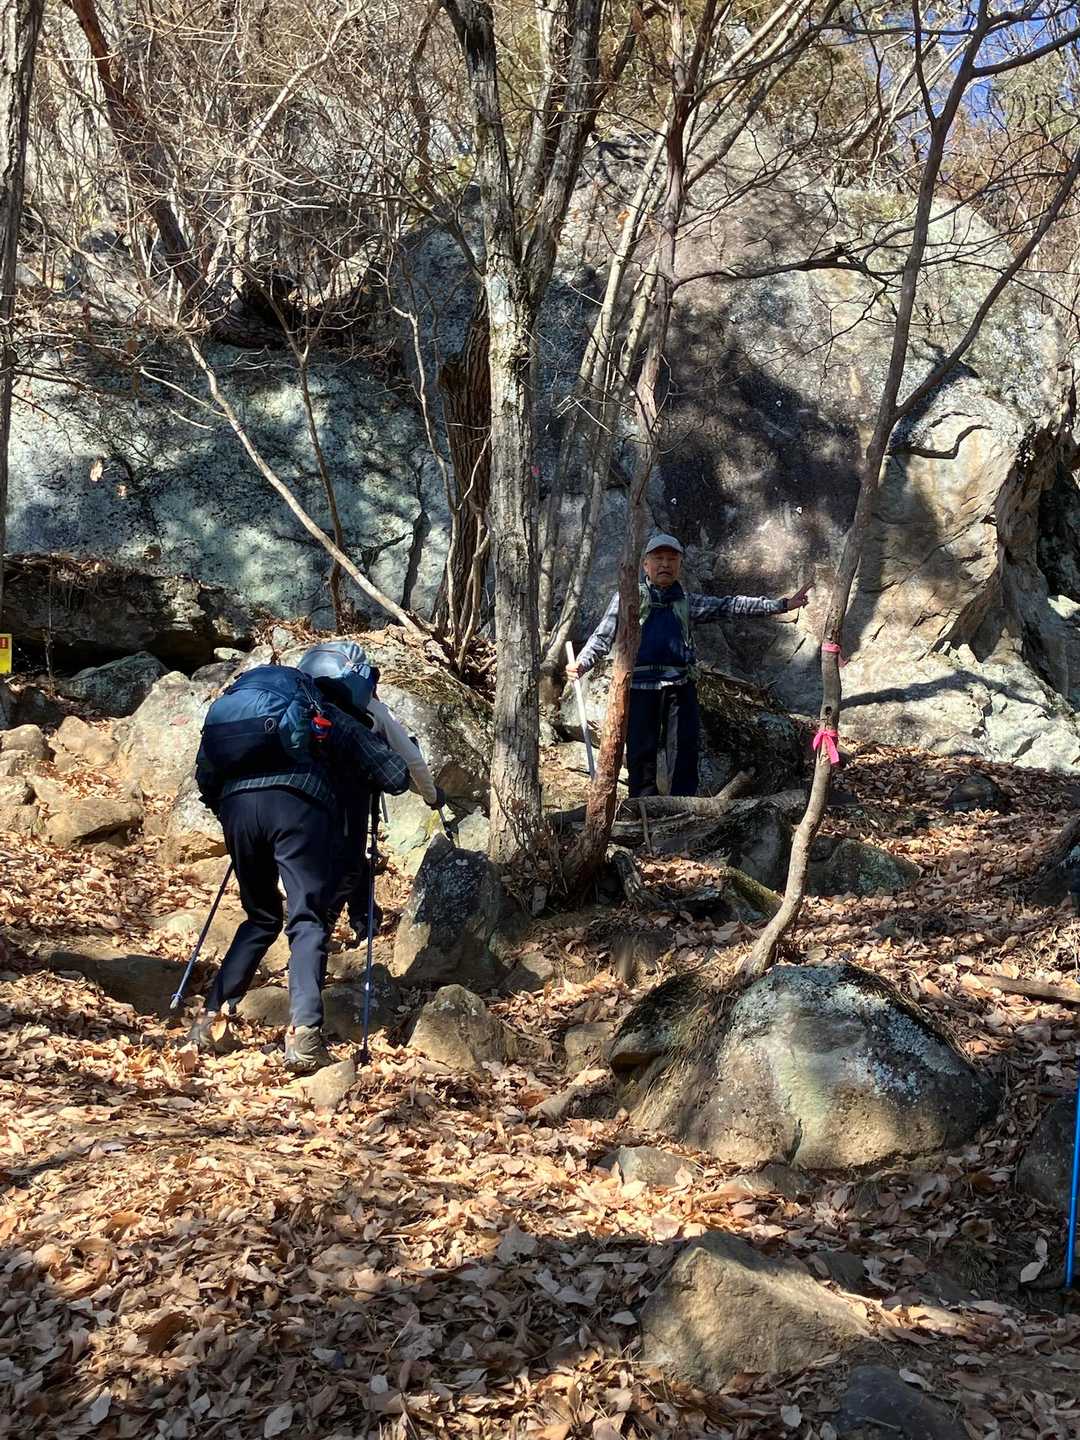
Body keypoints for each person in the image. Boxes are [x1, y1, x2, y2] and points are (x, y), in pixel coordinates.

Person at [188, 659, 410, 1074]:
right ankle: (305, 1035)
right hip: (297, 805)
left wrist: (235, 813)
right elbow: (395, 775)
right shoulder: (317, 705)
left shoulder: (234, 711)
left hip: (237, 810)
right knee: (307, 918)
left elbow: (206, 778)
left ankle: (207, 1022)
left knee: (260, 917)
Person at [567, 533, 811, 797]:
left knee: (685, 750)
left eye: (671, 559)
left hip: (680, 686)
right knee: (641, 751)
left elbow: (731, 606)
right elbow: (602, 637)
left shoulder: (686, 601)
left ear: (680, 566)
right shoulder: (629, 599)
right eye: (658, 558)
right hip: (639, 686)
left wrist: (781, 605)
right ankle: (642, 807)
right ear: (645, 565)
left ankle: (683, 806)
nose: (665, 564)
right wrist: (582, 663)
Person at [296, 641, 446, 944]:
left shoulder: (303, 702)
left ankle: (365, 918)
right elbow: (412, 759)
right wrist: (432, 796)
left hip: (302, 788)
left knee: (343, 856)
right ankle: (317, 932)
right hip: (350, 792)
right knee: (349, 862)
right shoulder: (369, 708)